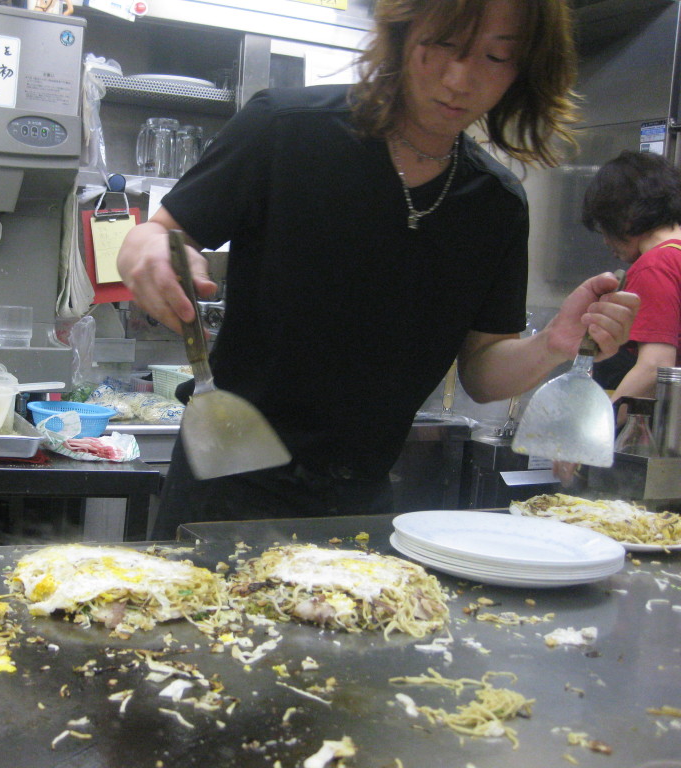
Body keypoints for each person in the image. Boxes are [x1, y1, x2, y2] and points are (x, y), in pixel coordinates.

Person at [116, 0, 639, 539]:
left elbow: (482, 371)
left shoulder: (496, 204)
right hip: (222, 485)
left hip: (358, 499)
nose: (460, 80)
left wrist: (554, 342)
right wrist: (144, 248)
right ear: (402, 33)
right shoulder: (285, 129)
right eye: (441, 46)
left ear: (524, 68)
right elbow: (158, 233)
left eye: (495, 57)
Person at [585, 150, 681, 401]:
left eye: (604, 226)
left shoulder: (657, 265)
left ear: (623, 215)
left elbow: (654, 368)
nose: (606, 241)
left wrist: (599, 426)